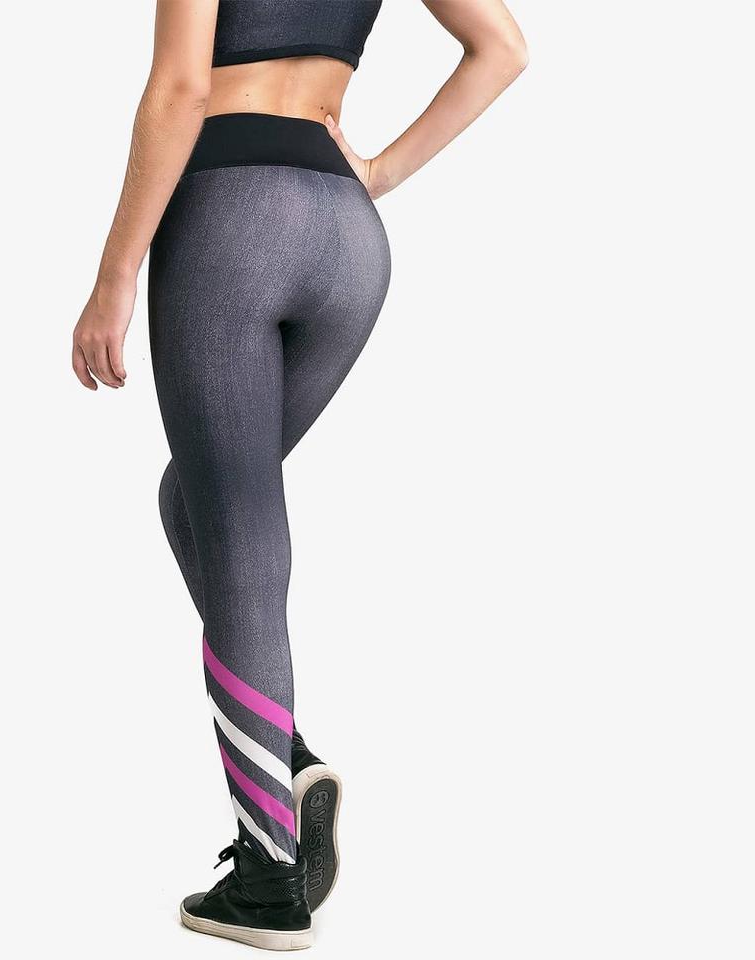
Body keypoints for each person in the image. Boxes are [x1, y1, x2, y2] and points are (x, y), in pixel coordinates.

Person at [72, 0, 527, 949]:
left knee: (240, 526)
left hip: (232, 217)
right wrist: (378, 173)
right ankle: (284, 755)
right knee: (193, 498)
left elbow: (180, 91)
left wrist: (115, 276)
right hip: (345, 235)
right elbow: (503, 49)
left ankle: (266, 880)